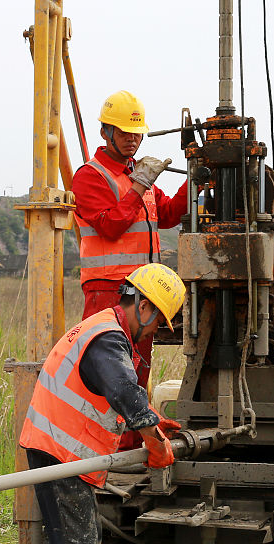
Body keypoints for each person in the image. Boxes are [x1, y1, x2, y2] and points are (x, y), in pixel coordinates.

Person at [19, 263, 186, 544]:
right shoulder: (109, 339)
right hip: (60, 456)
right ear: (143, 307)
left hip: (57, 452)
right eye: (157, 323)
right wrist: (154, 441)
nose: (154, 333)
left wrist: (151, 418)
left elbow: (118, 397)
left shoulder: (102, 329)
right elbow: (124, 392)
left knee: (78, 543)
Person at [72, 90, 189, 389]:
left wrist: (196, 180)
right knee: (108, 380)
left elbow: (170, 214)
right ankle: (106, 436)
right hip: (107, 290)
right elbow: (110, 226)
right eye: (124, 132)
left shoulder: (138, 176)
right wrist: (139, 185)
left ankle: (133, 437)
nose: (132, 139)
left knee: (136, 379)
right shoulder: (90, 176)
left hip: (142, 294)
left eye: (137, 133)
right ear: (105, 132)